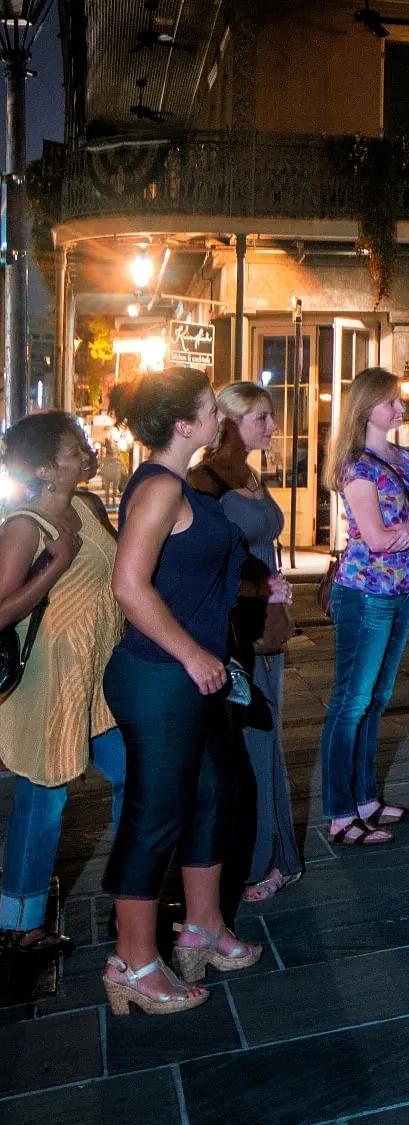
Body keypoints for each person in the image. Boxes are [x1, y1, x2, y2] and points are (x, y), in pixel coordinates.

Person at [100, 369, 260, 1015]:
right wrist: (193, 652)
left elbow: (187, 571)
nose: (220, 415)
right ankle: (132, 962)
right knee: (155, 812)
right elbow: (129, 585)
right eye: (209, 408)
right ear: (184, 424)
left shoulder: (180, 481)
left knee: (212, 794)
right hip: (163, 675)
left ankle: (201, 927)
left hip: (192, 674)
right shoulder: (162, 487)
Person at [0, 412, 125, 962]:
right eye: (76, 449)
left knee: (137, 775)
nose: (88, 453)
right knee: (43, 796)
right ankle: (21, 925)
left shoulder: (85, 506)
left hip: (96, 678)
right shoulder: (24, 526)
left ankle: (130, 892)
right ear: (48, 468)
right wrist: (56, 566)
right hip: (50, 683)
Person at [192, 381, 302, 899]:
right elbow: (201, 558)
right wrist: (255, 588)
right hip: (237, 625)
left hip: (268, 623)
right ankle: (264, 857)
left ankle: (271, 857)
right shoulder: (206, 480)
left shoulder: (249, 474)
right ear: (232, 422)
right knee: (251, 739)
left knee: (265, 736)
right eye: (263, 418)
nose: (274, 427)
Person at [319, 368, 409, 847]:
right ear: (367, 407)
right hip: (365, 592)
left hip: (403, 588)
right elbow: (377, 538)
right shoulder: (356, 466)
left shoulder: (405, 460)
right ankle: (340, 813)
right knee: (351, 703)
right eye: (392, 402)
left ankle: (367, 799)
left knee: (377, 698)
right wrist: (408, 531)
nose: (400, 409)